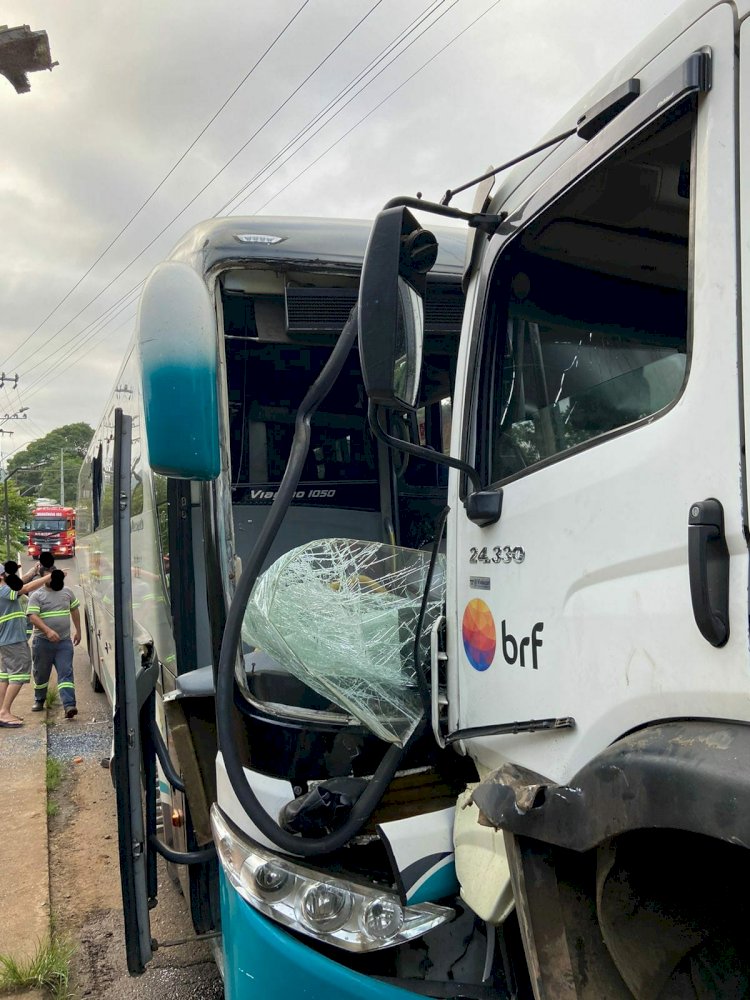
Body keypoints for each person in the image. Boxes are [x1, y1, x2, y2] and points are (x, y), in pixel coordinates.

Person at [0, 561, 51, 728]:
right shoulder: (4, 591)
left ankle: (1, 710)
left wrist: (33, 571)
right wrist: (49, 577)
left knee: (6, 676)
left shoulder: (5, 590)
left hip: (5, 642)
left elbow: (21, 584)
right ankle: (5, 712)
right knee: (19, 674)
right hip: (13, 640)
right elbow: (25, 588)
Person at [27, 569, 81, 719]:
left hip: (64, 643)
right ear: (44, 578)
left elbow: (75, 610)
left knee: (66, 673)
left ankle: (69, 705)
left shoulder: (67, 592)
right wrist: (48, 631)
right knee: (41, 674)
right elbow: (32, 617)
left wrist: (78, 631)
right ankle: (39, 699)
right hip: (42, 643)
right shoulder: (37, 595)